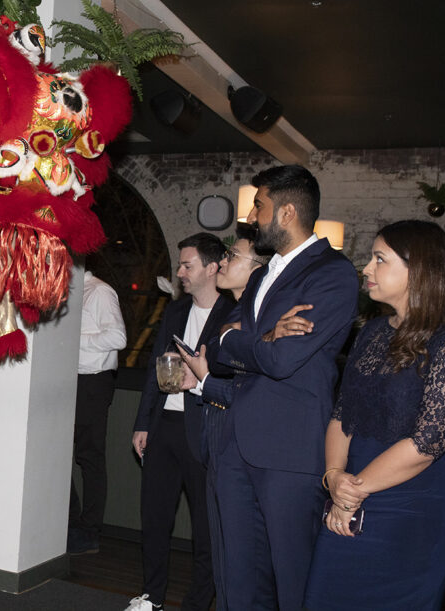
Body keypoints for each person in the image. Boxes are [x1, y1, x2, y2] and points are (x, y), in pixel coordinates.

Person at [214, 164, 358, 610]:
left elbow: (281, 359)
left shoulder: (333, 273)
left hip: (289, 451)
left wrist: (245, 342)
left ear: (288, 211)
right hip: (236, 443)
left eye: (259, 206)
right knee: (239, 578)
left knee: (293, 580)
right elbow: (220, 349)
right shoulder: (259, 276)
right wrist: (260, 338)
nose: (252, 217)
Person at [304, 220, 445, 609]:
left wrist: (350, 492)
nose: (367, 269)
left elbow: (427, 443)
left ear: (418, 269)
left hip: (412, 512)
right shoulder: (371, 332)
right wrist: (334, 476)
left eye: (379, 259)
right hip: (350, 501)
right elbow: (342, 414)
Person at [127, 233, 234, 611]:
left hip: (206, 429)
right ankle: (151, 597)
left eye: (187, 265)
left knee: (206, 529)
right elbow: (155, 368)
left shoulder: (233, 315)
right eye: (180, 264)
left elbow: (236, 377)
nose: (180, 272)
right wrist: (143, 423)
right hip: (163, 428)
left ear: (212, 267)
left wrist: (202, 380)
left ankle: (197, 601)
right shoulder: (174, 311)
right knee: (154, 520)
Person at [174, 223, 270, 609]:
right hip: (216, 440)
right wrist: (201, 376)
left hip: (245, 445)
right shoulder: (238, 314)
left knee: (248, 559)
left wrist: (203, 379)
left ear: (259, 269)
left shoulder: (259, 321)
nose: (225, 261)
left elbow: (255, 392)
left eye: (233, 256)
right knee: (225, 552)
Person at [68, 265, 127, 555]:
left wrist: (74, 343)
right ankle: (69, 525)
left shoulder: (100, 291)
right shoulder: (65, 293)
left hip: (93, 382)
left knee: (89, 457)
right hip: (68, 380)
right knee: (58, 455)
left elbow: (119, 338)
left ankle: (88, 532)